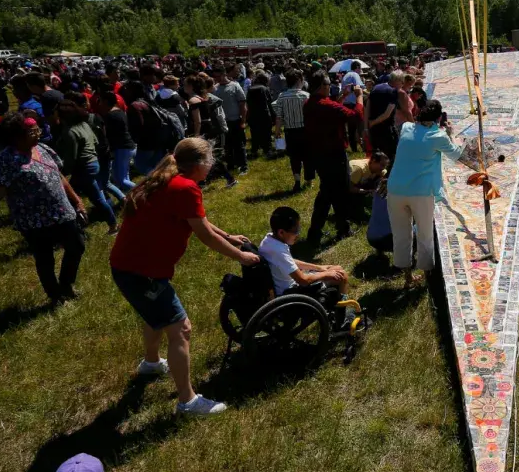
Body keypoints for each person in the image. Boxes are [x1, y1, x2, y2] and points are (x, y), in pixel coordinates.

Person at [110, 138, 259, 416]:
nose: (212, 165)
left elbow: (196, 220)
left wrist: (228, 236)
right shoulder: (186, 187)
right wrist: (241, 256)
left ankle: (151, 363)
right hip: (143, 272)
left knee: (155, 317)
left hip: (128, 266)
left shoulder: (163, 179)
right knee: (180, 329)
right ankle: (187, 401)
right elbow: (203, 235)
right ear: (200, 164)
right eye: (211, 160)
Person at [0, 114, 87, 305]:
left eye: (37, 130)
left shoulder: (42, 148)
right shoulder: (6, 160)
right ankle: (55, 296)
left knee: (77, 245)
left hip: (62, 211)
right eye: (32, 132)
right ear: (16, 137)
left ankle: (66, 284)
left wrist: (77, 201)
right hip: (34, 221)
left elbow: (58, 175)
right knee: (45, 259)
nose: (38, 134)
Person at [387, 99, 462, 287]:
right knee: (425, 233)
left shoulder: (406, 127)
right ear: (438, 118)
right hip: (421, 192)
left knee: (401, 234)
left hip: (395, 188)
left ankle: (407, 278)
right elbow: (456, 155)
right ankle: (428, 276)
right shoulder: (439, 136)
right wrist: (450, 135)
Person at [303, 70, 364, 245]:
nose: (330, 87)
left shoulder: (309, 103)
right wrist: (359, 97)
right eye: (329, 84)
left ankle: (335, 228)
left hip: (319, 153)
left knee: (331, 192)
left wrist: (342, 97)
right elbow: (355, 116)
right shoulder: (327, 106)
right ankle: (319, 232)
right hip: (334, 154)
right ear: (321, 86)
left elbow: (331, 110)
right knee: (334, 193)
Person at [55, 99, 118, 234]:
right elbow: (95, 141)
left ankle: (74, 229)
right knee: (97, 197)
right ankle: (113, 224)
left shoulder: (70, 132)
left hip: (83, 167)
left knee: (70, 198)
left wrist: (64, 171)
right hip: (94, 163)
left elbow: (72, 156)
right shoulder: (85, 124)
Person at [259, 207, 349, 296]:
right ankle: (342, 308)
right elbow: (303, 280)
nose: (298, 234)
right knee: (342, 275)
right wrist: (326, 274)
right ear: (281, 232)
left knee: (337, 268)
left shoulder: (269, 241)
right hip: (292, 292)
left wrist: (319, 268)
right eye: (296, 231)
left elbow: (290, 261)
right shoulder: (278, 251)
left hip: (289, 285)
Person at [271, 69, 312, 192]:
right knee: (308, 156)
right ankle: (309, 180)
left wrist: (277, 131)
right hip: (305, 131)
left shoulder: (282, 97)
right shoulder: (306, 96)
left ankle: (297, 180)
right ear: (299, 80)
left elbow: (279, 117)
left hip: (290, 131)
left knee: (294, 157)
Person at [212, 66, 249, 176]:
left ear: (224, 75)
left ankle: (243, 166)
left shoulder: (235, 86)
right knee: (227, 145)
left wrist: (243, 120)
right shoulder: (215, 89)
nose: (217, 79)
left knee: (239, 144)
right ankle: (231, 165)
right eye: (215, 77)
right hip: (223, 122)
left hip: (235, 120)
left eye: (218, 76)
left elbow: (242, 104)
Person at [101, 90, 137, 193]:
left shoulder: (110, 116)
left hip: (122, 148)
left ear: (106, 102)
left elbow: (109, 135)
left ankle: (144, 191)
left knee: (121, 180)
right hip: (128, 146)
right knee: (123, 176)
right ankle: (130, 197)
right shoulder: (120, 112)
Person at [246, 73, 274, 160]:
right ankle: (267, 150)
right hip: (264, 114)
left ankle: (254, 150)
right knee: (266, 133)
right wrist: (273, 116)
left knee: (254, 133)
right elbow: (270, 103)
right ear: (265, 80)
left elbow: (248, 103)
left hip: (253, 115)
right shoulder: (265, 89)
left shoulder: (250, 89)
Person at [341, 60, 365, 152]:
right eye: (360, 69)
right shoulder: (355, 75)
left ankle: (354, 148)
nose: (360, 71)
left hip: (346, 103)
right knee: (361, 126)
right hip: (354, 104)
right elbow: (360, 87)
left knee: (351, 129)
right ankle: (364, 148)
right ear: (357, 68)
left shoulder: (345, 76)